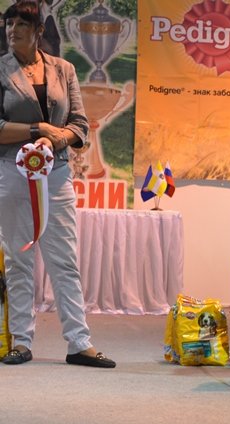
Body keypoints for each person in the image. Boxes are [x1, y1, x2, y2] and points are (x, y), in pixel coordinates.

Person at [0, 1, 115, 367]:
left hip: (58, 175)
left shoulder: (63, 69)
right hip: (11, 175)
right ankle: (21, 340)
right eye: (9, 23)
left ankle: (79, 343)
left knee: (64, 262)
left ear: (38, 32)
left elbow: (80, 125)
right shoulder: (0, 69)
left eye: (21, 24)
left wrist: (54, 140)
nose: (12, 29)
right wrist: (37, 130)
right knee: (18, 261)